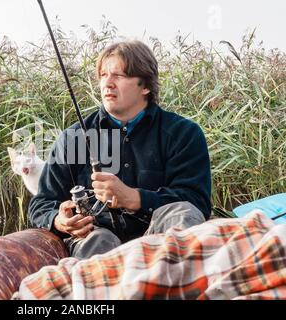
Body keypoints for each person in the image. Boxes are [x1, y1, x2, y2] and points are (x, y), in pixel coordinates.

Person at [29, 40, 211, 259]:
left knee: (183, 212)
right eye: (103, 75)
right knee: (98, 240)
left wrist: (135, 198)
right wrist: (59, 221)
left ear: (145, 86)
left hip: (161, 239)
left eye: (119, 75)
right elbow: (41, 204)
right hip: (98, 238)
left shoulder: (183, 133)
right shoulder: (73, 137)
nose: (108, 83)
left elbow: (196, 201)